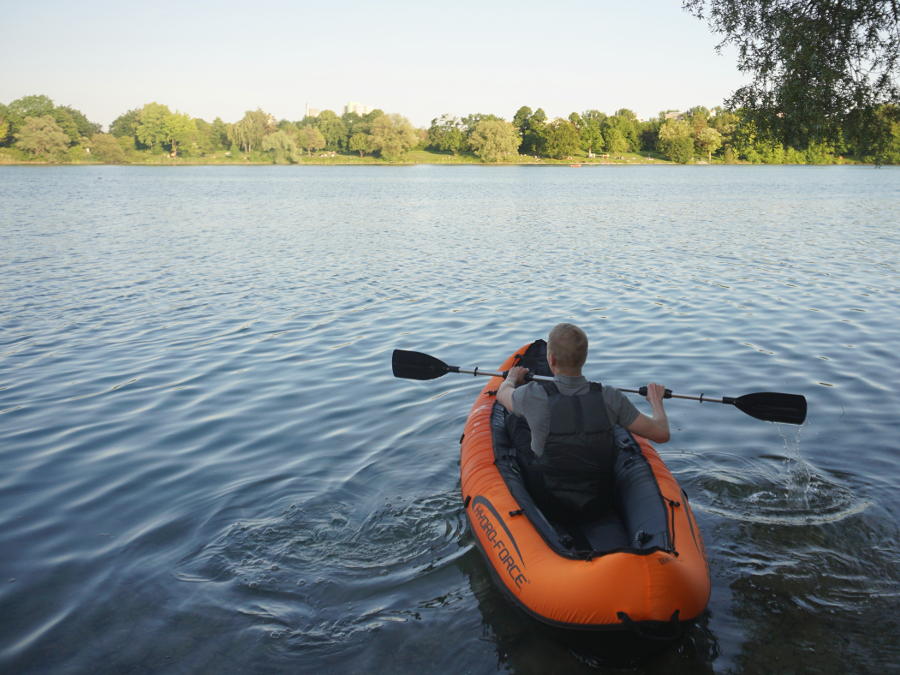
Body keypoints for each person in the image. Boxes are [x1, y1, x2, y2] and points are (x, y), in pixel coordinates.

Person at [495, 323, 670, 522]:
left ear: (551, 359)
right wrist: (656, 401)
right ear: (584, 358)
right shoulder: (610, 397)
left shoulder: (533, 395)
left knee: (515, 420)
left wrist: (511, 378)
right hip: (599, 499)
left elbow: (502, 395)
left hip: (548, 500)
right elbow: (662, 434)